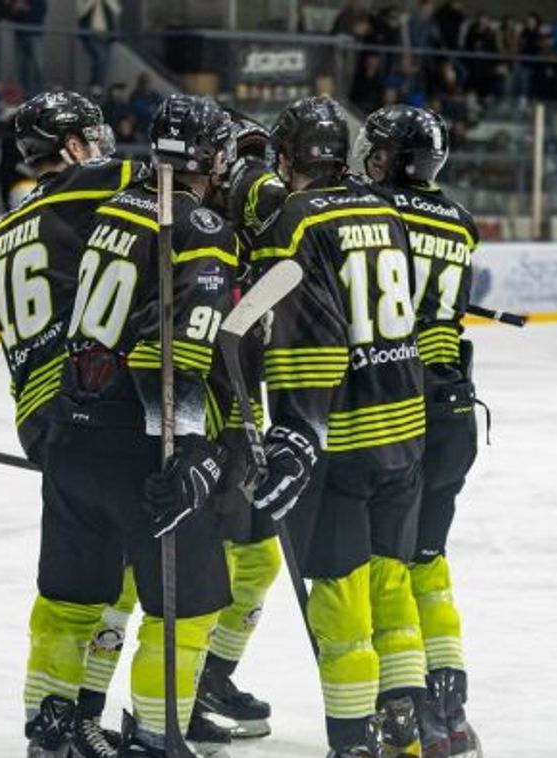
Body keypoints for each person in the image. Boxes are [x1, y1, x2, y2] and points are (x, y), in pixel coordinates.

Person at [48, 93, 237, 758]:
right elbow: (179, 348)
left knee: (73, 599)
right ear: (213, 156)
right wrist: (185, 446)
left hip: (75, 424)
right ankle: (157, 738)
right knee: (191, 600)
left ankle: (52, 735)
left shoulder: (115, 209)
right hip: (139, 437)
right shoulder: (201, 225)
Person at [246, 95, 429, 758]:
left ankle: (353, 742)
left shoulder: (293, 221)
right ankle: (405, 727)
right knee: (391, 582)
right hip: (405, 428)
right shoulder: (385, 209)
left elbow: (305, 340)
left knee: (342, 597)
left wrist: (293, 431)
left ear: (286, 157)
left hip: (342, 438)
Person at [0, 90, 139, 757]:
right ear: (72, 146)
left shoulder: (1, 231)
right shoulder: (94, 186)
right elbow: (174, 183)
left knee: (73, 577)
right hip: (97, 407)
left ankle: (56, 723)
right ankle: (87, 711)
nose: (103, 147)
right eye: (93, 137)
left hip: (41, 417)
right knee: (126, 573)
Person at [356, 104, 482, 758]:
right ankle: (448, 709)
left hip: (393, 407)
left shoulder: (370, 211)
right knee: (428, 561)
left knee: (384, 566)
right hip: (454, 409)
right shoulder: (460, 221)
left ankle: (398, 708)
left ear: (383, 157)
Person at [190, 108, 288, 745]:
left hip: (244, 405)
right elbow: (280, 199)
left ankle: (212, 675)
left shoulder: (233, 213)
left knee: (257, 560)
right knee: (214, 564)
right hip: (211, 413)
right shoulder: (248, 188)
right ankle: (181, 688)